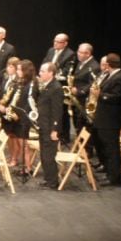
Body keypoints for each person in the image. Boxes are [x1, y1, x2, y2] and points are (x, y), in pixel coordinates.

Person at [91, 53, 121, 186]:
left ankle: (114, 178)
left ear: (109, 64)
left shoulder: (120, 78)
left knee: (112, 149)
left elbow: (116, 97)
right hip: (104, 118)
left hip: (111, 120)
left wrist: (100, 94)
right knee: (105, 147)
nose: (104, 66)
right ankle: (108, 172)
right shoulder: (110, 75)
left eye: (105, 64)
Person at [42, 33, 76, 144]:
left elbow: (66, 72)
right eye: (54, 41)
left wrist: (53, 74)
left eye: (58, 42)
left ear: (65, 43)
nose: (55, 43)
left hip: (59, 86)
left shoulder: (70, 54)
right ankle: (50, 131)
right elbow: (45, 63)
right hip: (48, 83)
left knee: (62, 112)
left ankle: (64, 136)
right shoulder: (51, 51)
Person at [37, 62, 64, 190]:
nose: (40, 73)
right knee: (43, 154)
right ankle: (48, 178)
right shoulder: (46, 85)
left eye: (42, 71)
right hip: (43, 125)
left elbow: (57, 111)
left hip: (50, 127)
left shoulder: (56, 88)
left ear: (51, 73)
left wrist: (55, 130)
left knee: (49, 156)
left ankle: (53, 182)